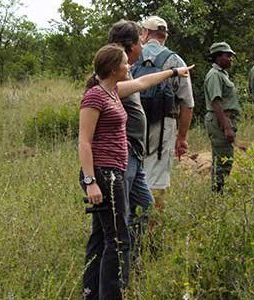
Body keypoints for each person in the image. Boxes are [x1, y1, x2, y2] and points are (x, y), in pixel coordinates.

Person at [79, 43, 193, 299]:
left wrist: (175, 72)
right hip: (104, 175)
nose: (129, 66)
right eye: (124, 62)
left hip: (114, 172)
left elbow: (143, 83)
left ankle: (91, 293)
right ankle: (111, 294)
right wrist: (90, 182)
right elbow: (84, 141)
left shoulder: (114, 91)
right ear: (112, 68)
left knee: (103, 236)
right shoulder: (95, 97)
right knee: (118, 240)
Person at [107, 20, 153, 262]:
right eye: (140, 42)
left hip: (135, 152)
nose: (143, 48)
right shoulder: (111, 75)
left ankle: (133, 259)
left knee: (145, 205)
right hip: (123, 154)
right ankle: (120, 268)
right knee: (120, 215)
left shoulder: (125, 69)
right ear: (130, 45)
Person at [139, 16, 195, 208]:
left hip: (132, 122)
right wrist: (182, 137)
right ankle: (153, 226)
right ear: (165, 36)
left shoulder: (131, 55)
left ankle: (130, 224)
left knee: (132, 171)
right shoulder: (175, 60)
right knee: (158, 176)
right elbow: (187, 103)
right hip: (164, 124)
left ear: (145, 33)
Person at [203, 42, 241, 193]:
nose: (230, 59)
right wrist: (226, 127)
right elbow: (216, 102)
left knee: (223, 157)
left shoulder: (222, 74)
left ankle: (219, 191)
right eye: (228, 56)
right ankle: (218, 193)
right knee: (223, 159)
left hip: (223, 119)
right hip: (219, 120)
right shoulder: (214, 76)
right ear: (218, 57)